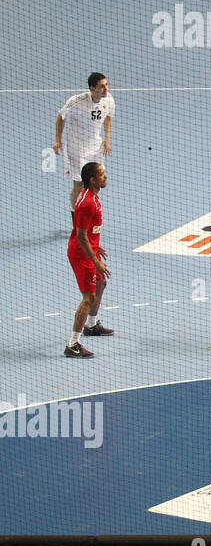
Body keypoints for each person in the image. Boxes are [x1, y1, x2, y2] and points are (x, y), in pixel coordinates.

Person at [65, 162, 112, 358]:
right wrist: (95, 260)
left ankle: (91, 326)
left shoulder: (92, 197)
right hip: (81, 255)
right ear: (92, 180)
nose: (105, 176)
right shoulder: (86, 203)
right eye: (101, 174)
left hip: (88, 250)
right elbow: (81, 236)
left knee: (101, 283)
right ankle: (72, 344)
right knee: (88, 298)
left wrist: (95, 245)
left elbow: (86, 232)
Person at [54, 73, 114, 214]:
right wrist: (58, 140)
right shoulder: (77, 102)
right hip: (77, 147)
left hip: (95, 146)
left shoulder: (109, 100)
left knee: (97, 181)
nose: (106, 89)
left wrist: (107, 139)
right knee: (79, 184)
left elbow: (108, 118)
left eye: (106, 85)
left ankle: (88, 212)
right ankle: (76, 218)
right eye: (102, 86)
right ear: (92, 89)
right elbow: (60, 117)